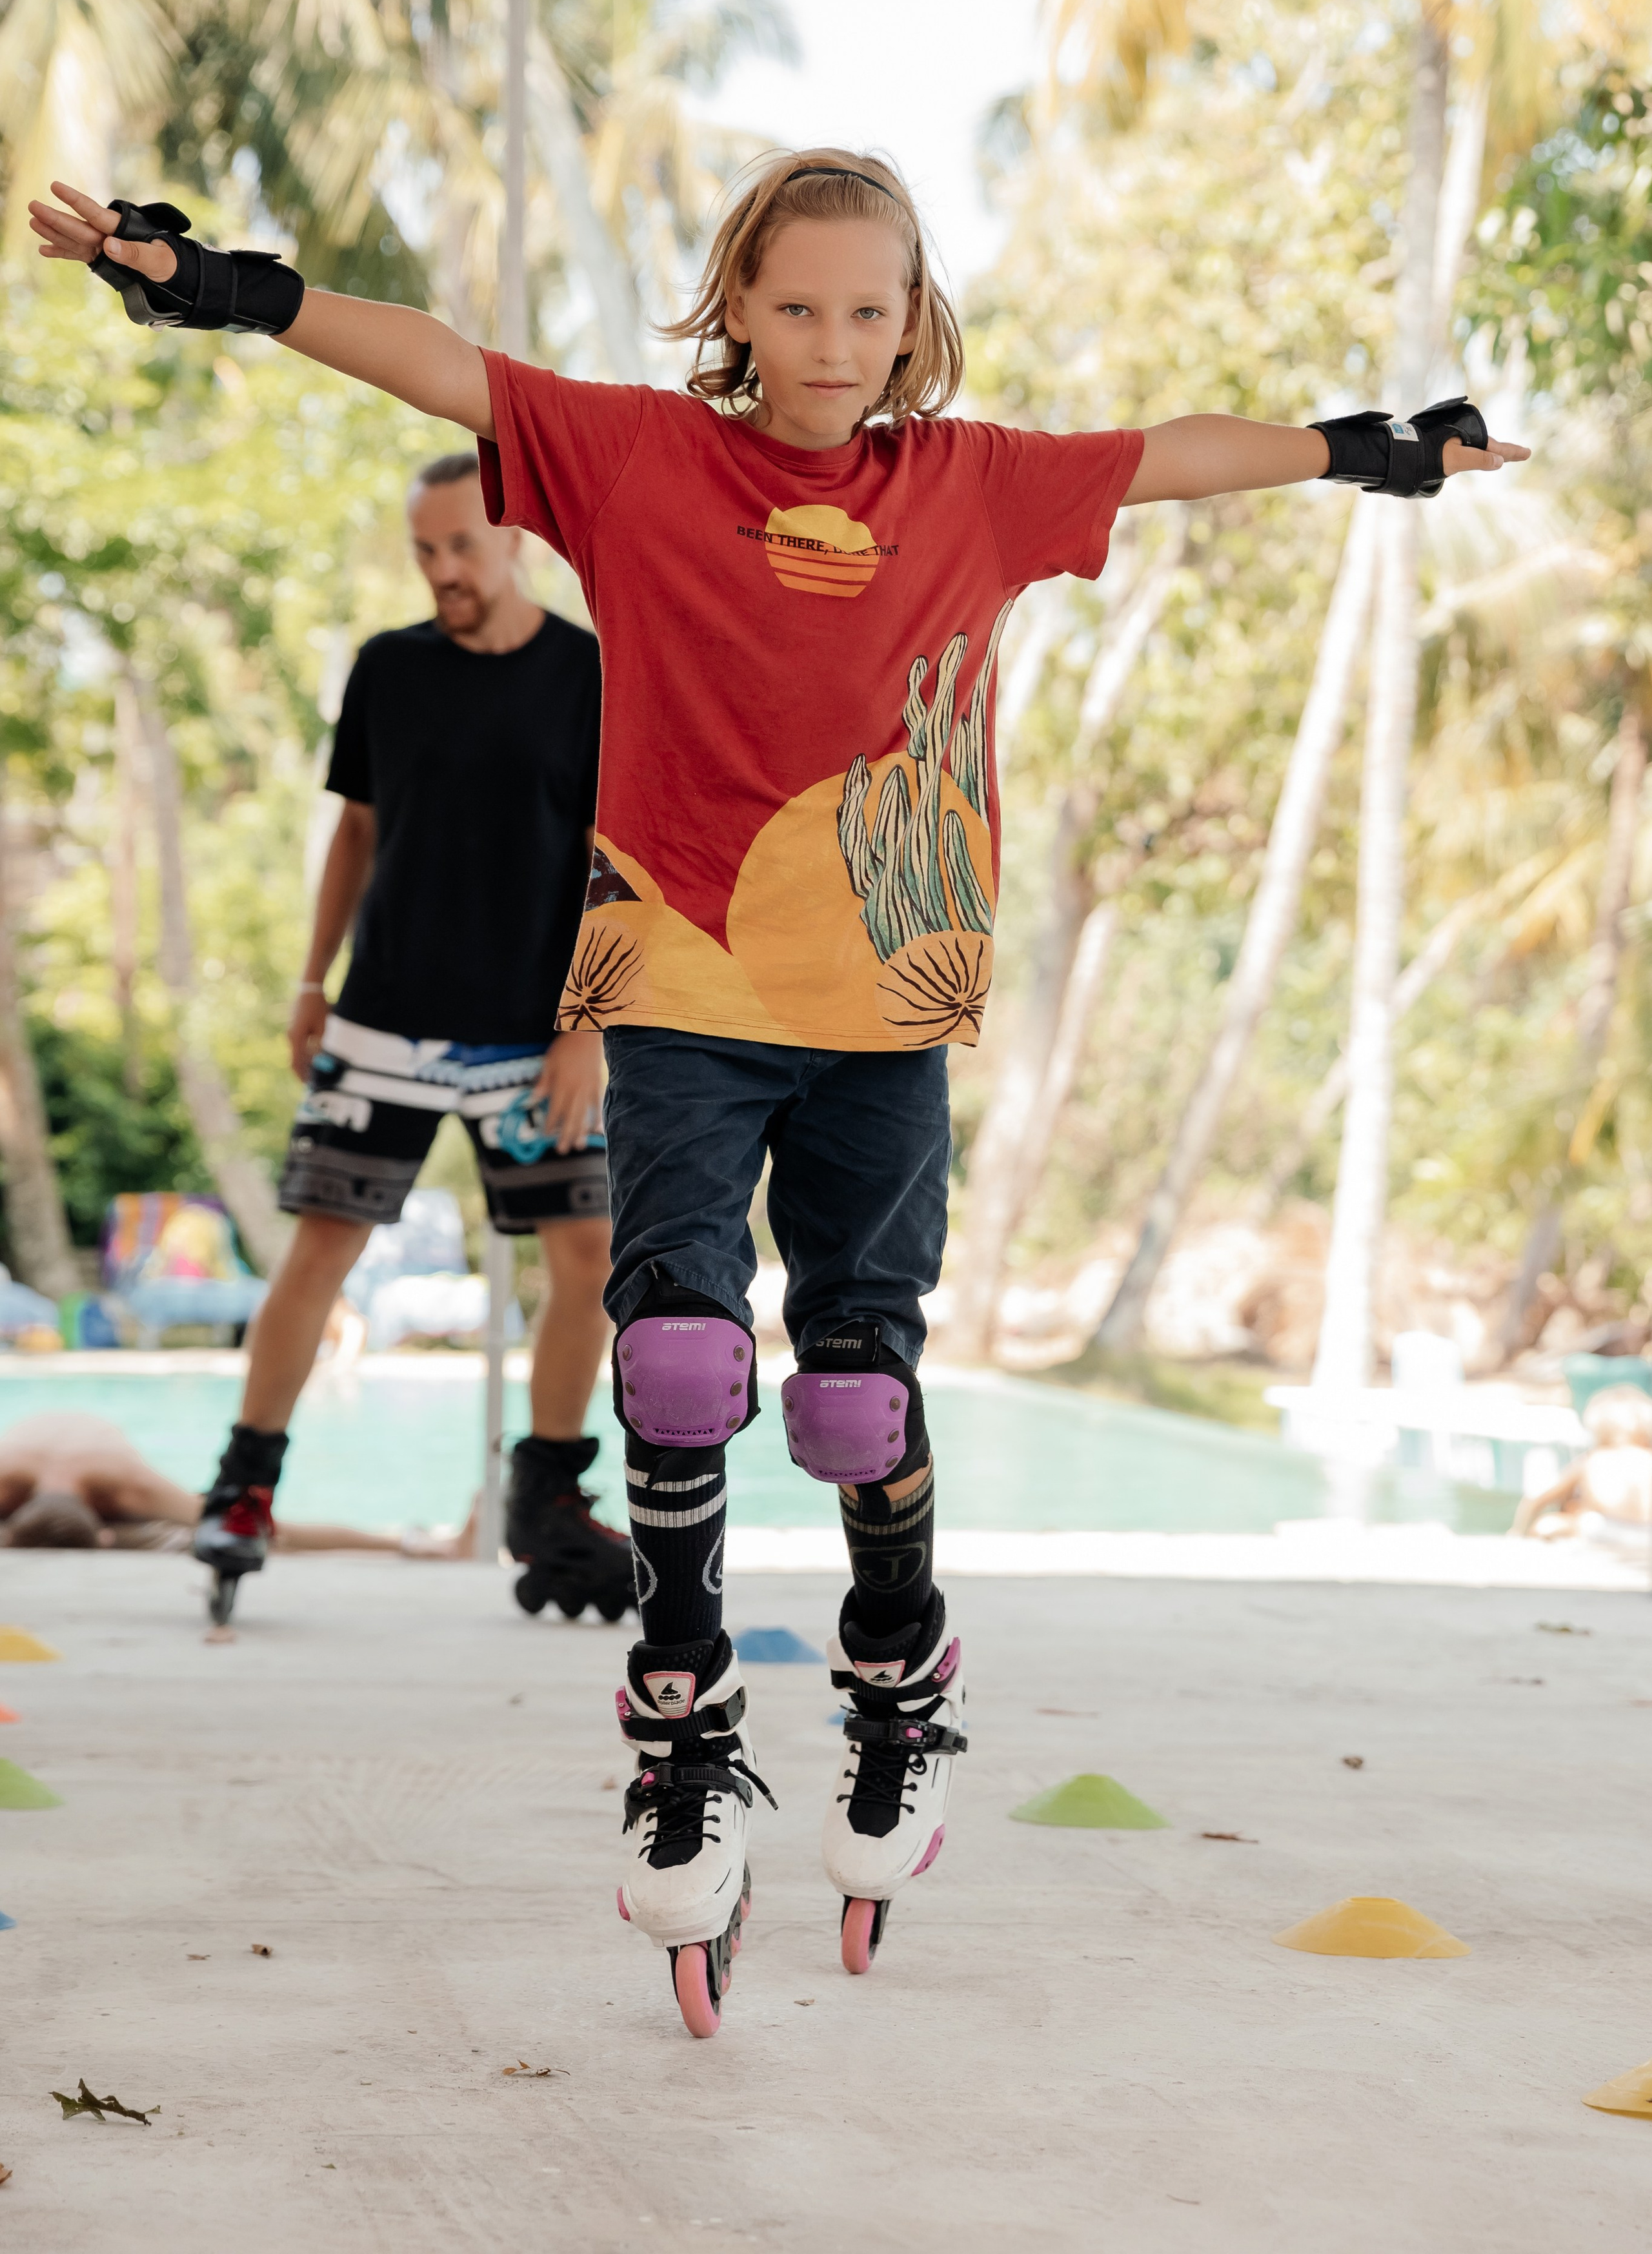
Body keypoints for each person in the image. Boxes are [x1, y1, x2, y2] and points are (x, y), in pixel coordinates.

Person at [33, 157, 1527, 2036]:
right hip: (676, 981)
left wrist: (1361, 447)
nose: (833, 345)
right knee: (673, 1349)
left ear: (915, 320)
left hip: (887, 1005)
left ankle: (897, 1659)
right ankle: (683, 1701)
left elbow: (1163, 453)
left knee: (848, 1383)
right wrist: (234, 291)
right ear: (737, 301)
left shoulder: (968, 482)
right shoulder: (641, 457)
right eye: (797, 305)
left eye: (868, 311)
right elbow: (442, 369)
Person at [159, 442, 628, 1623]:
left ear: (516, 537)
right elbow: (357, 833)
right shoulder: (387, 669)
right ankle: (243, 1489)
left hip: (535, 1034)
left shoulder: (591, 676)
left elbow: (611, 867)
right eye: (426, 552)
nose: (443, 571)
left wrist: (590, 1026)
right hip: (384, 1022)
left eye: (462, 546)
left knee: (590, 1262)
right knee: (320, 1252)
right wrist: (310, 983)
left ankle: (548, 1498)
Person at [0, 1409, 474, 1556]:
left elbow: (264, 1529)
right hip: (72, 1452)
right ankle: (420, 1544)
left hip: (97, 1477)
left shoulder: (126, 1486)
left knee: (234, 1526)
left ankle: (416, 1544)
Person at [1513, 1383, 1652, 1544]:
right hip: (1648, 1534)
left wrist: (1517, 1531)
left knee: (1547, 1525)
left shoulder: (1593, 1460)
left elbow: (1536, 1498)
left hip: (1603, 1530)